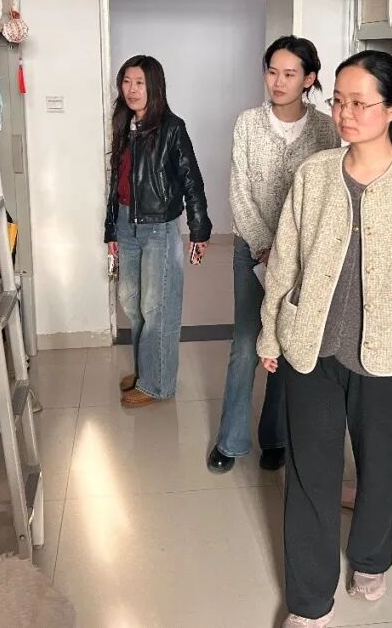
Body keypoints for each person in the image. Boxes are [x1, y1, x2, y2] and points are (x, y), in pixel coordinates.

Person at [257, 50, 392, 627]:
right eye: (338, 101)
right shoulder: (315, 174)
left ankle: (370, 558)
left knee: (378, 465)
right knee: (309, 477)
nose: (344, 113)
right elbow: (286, 260)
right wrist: (270, 334)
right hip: (310, 346)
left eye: (360, 103)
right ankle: (309, 603)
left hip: (387, 351)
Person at [207, 36, 341, 475]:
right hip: (252, 250)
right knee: (246, 344)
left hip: (302, 258)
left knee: (286, 343)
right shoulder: (248, 123)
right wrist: (266, 248)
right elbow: (239, 192)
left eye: (289, 74)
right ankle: (230, 440)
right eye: (272, 72)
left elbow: (326, 195)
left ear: (309, 79)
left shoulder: (326, 129)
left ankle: (275, 436)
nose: (278, 82)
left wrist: (294, 254)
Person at [105, 55, 211, 409]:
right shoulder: (125, 124)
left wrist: (199, 229)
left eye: (139, 82)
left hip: (158, 229)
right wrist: (111, 230)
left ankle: (157, 384)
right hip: (126, 224)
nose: (132, 90)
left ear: (154, 86)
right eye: (126, 82)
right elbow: (116, 183)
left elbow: (192, 180)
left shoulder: (172, 128)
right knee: (132, 304)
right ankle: (145, 371)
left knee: (157, 308)